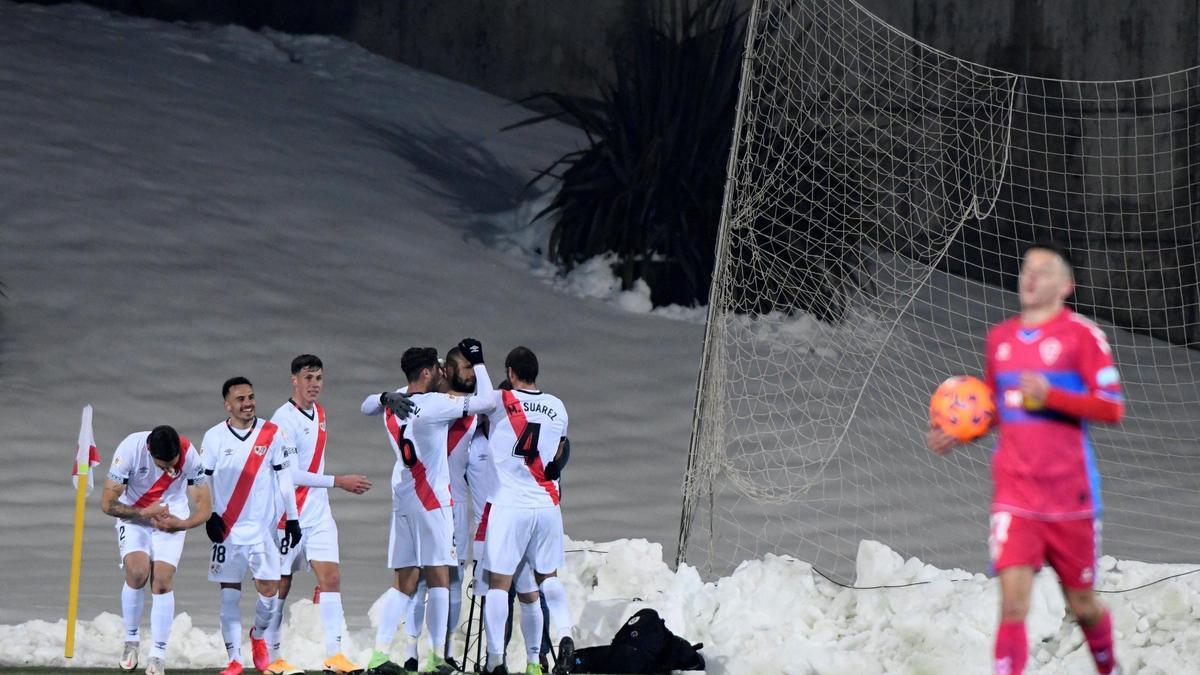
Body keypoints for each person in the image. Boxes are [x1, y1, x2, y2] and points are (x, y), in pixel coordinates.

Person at [927, 242, 1124, 675]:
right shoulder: (1000, 339)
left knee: (1083, 605)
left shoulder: (1083, 337)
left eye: (1044, 270)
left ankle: (1110, 669)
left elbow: (1112, 407)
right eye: (1026, 268)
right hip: (1015, 494)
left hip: (1070, 496)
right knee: (1013, 604)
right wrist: (960, 433)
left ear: (1067, 285)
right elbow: (1001, 407)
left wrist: (1051, 395)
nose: (1031, 276)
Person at [361, 343, 491, 675]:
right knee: (439, 577)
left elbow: (366, 405)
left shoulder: (395, 404)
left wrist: (383, 396)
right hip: (433, 501)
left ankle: (378, 655)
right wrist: (478, 362)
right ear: (425, 373)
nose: (440, 372)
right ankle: (436, 657)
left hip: (403, 499)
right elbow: (487, 400)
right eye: (435, 368)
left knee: (404, 580)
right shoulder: (436, 404)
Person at [263, 355, 374, 675]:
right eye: (308, 378)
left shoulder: (320, 413)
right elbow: (292, 475)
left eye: (319, 378)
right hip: (288, 514)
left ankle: (335, 655)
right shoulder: (282, 420)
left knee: (331, 579)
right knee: (281, 584)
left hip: (318, 513)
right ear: (293, 379)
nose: (314, 385)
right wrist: (339, 482)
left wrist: (328, 490)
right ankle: (272, 657)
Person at [472, 346, 575, 675]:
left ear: (511, 372)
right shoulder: (558, 406)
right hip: (545, 506)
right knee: (545, 581)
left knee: (499, 584)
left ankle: (495, 660)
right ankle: (563, 637)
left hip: (510, 504)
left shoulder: (502, 400)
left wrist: (476, 360)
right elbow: (560, 449)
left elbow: (479, 399)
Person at [202, 377, 302, 675]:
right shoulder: (214, 437)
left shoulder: (272, 433)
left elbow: (285, 479)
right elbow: (204, 479)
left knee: (270, 593)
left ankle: (257, 636)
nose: (248, 404)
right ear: (227, 404)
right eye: (240, 399)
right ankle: (234, 660)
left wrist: (293, 517)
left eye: (251, 397)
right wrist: (210, 515)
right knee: (229, 594)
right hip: (228, 530)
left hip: (262, 531)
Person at [101, 425, 211, 675]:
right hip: (135, 516)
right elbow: (107, 503)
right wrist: (142, 513)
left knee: (161, 581)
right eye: (164, 466)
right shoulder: (130, 449)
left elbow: (205, 505)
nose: (171, 470)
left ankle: (158, 655)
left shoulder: (189, 454)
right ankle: (131, 642)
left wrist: (181, 524)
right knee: (138, 573)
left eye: (174, 464)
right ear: (149, 451)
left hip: (171, 518)